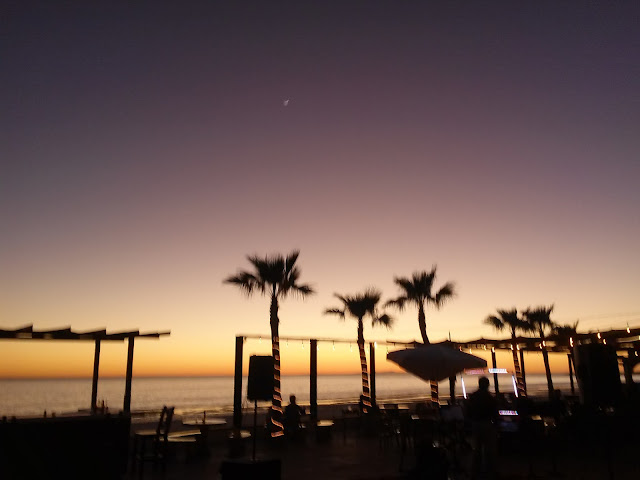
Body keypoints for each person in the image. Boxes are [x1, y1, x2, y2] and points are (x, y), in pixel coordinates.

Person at [465, 376, 499, 479]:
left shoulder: (473, 397)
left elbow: (468, 411)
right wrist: (496, 425)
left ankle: (476, 471)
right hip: (487, 424)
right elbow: (495, 413)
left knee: (477, 449)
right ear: (487, 385)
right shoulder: (490, 397)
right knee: (490, 449)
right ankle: (490, 471)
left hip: (476, 424)